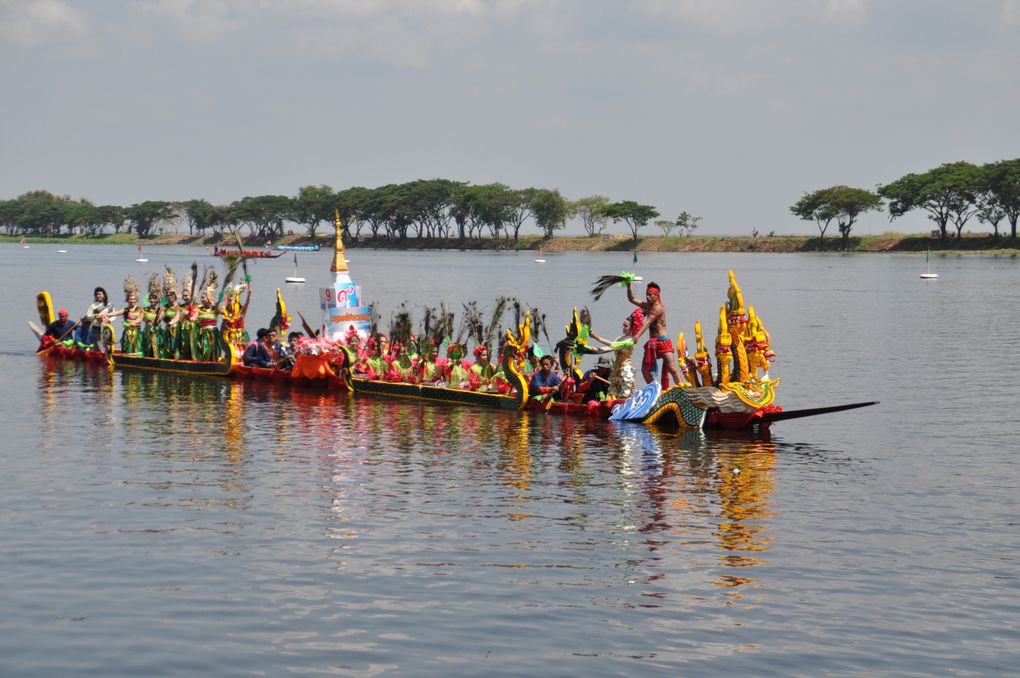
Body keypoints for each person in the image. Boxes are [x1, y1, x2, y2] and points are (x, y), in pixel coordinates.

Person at [626, 280, 682, 388]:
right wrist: (628, 287)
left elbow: (647, 323)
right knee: (644, 370)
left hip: (662, 341)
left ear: (656, 295)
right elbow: (631, 299)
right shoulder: (647, 306)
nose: (647, 297)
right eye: (646, 294)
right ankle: (656, 391)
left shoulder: (658, 308)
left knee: (672, 368)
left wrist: (636, 336)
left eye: (650, 295)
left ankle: (683, 389)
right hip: (652, 343)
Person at [82, 286, 114, 351]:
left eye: (100, 294)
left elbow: (113, 316)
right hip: (95, 328)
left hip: (106, 328)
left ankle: (105, 357)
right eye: (96, 294)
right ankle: (98, 358)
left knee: (105, 345)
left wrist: (107, 320)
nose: (98, 296)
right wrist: (96, 317)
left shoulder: (109, 305)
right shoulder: (93, 306)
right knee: (96, 344)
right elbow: (88, 316)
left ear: (104, 295)